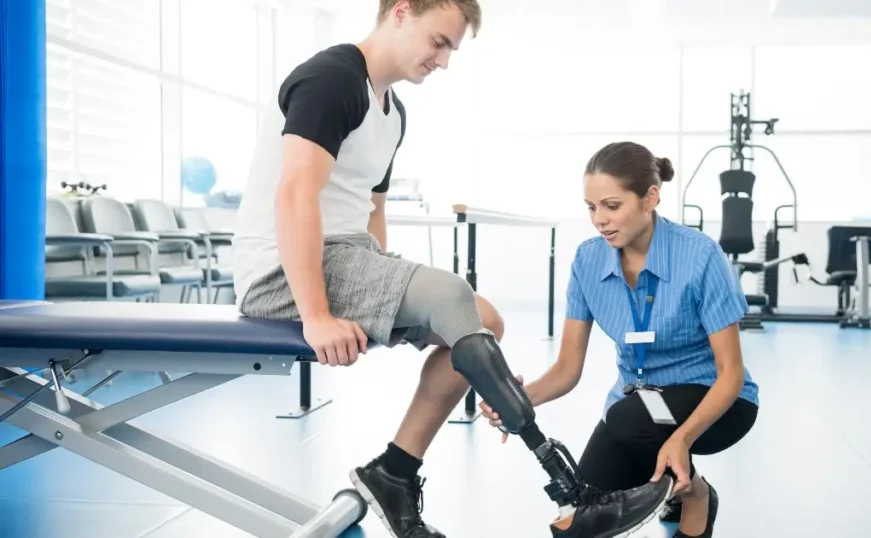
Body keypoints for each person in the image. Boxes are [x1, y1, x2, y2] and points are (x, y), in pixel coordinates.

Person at [230, 2, 675, 537]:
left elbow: (372, 211)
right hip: (281, 269)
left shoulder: (391, 111)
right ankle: (571, 492)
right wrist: (317, 315)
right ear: (400, 13)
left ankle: (394, 472)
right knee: (453, 295)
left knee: (484, 320)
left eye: (450, 49)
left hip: (345, 256)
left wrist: (381, 289)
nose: (442, 61)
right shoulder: (332, 79)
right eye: (438, 42)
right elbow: (295, 192)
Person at [481, 141, 761, 538]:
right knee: (581, 519)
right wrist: (517, 401)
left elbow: (730, 374)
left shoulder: (699, 255)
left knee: (628, 417)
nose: (600, 220)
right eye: (591, 208)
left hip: (713, 399)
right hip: (635, 411)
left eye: (612, 206)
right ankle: (675, 483)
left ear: (650, 198)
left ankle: (695, 494)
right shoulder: (588, 260)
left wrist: (681, 439)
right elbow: (566, 368)